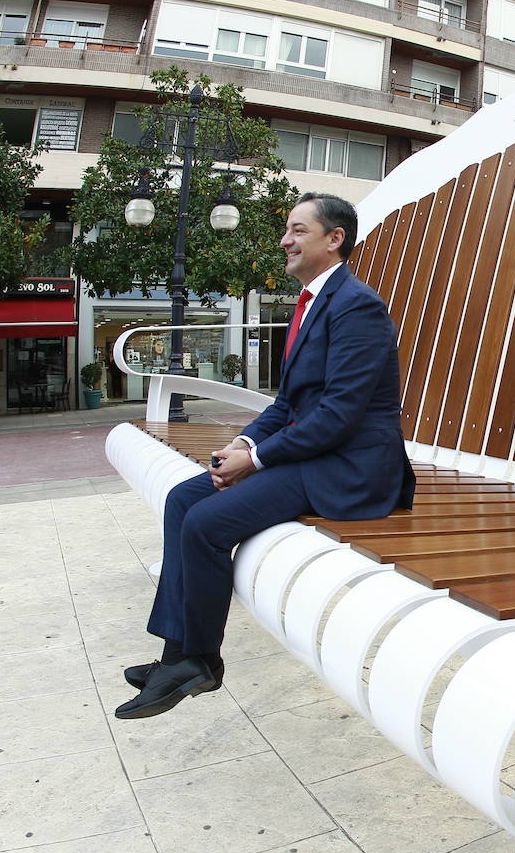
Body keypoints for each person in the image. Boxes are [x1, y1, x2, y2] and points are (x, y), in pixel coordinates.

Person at [115, 193, 415, 719]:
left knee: (206, 523)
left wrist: (258, 461)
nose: (285, 240)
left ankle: (201, 660)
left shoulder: (357, 306)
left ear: (334, 239)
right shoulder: (315, 303)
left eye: (298, 230)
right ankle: (176, 655)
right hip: (315, 455)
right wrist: (245, 444)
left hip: (351, 468)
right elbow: (290, 404)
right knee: (185, 498)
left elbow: (338, 416)